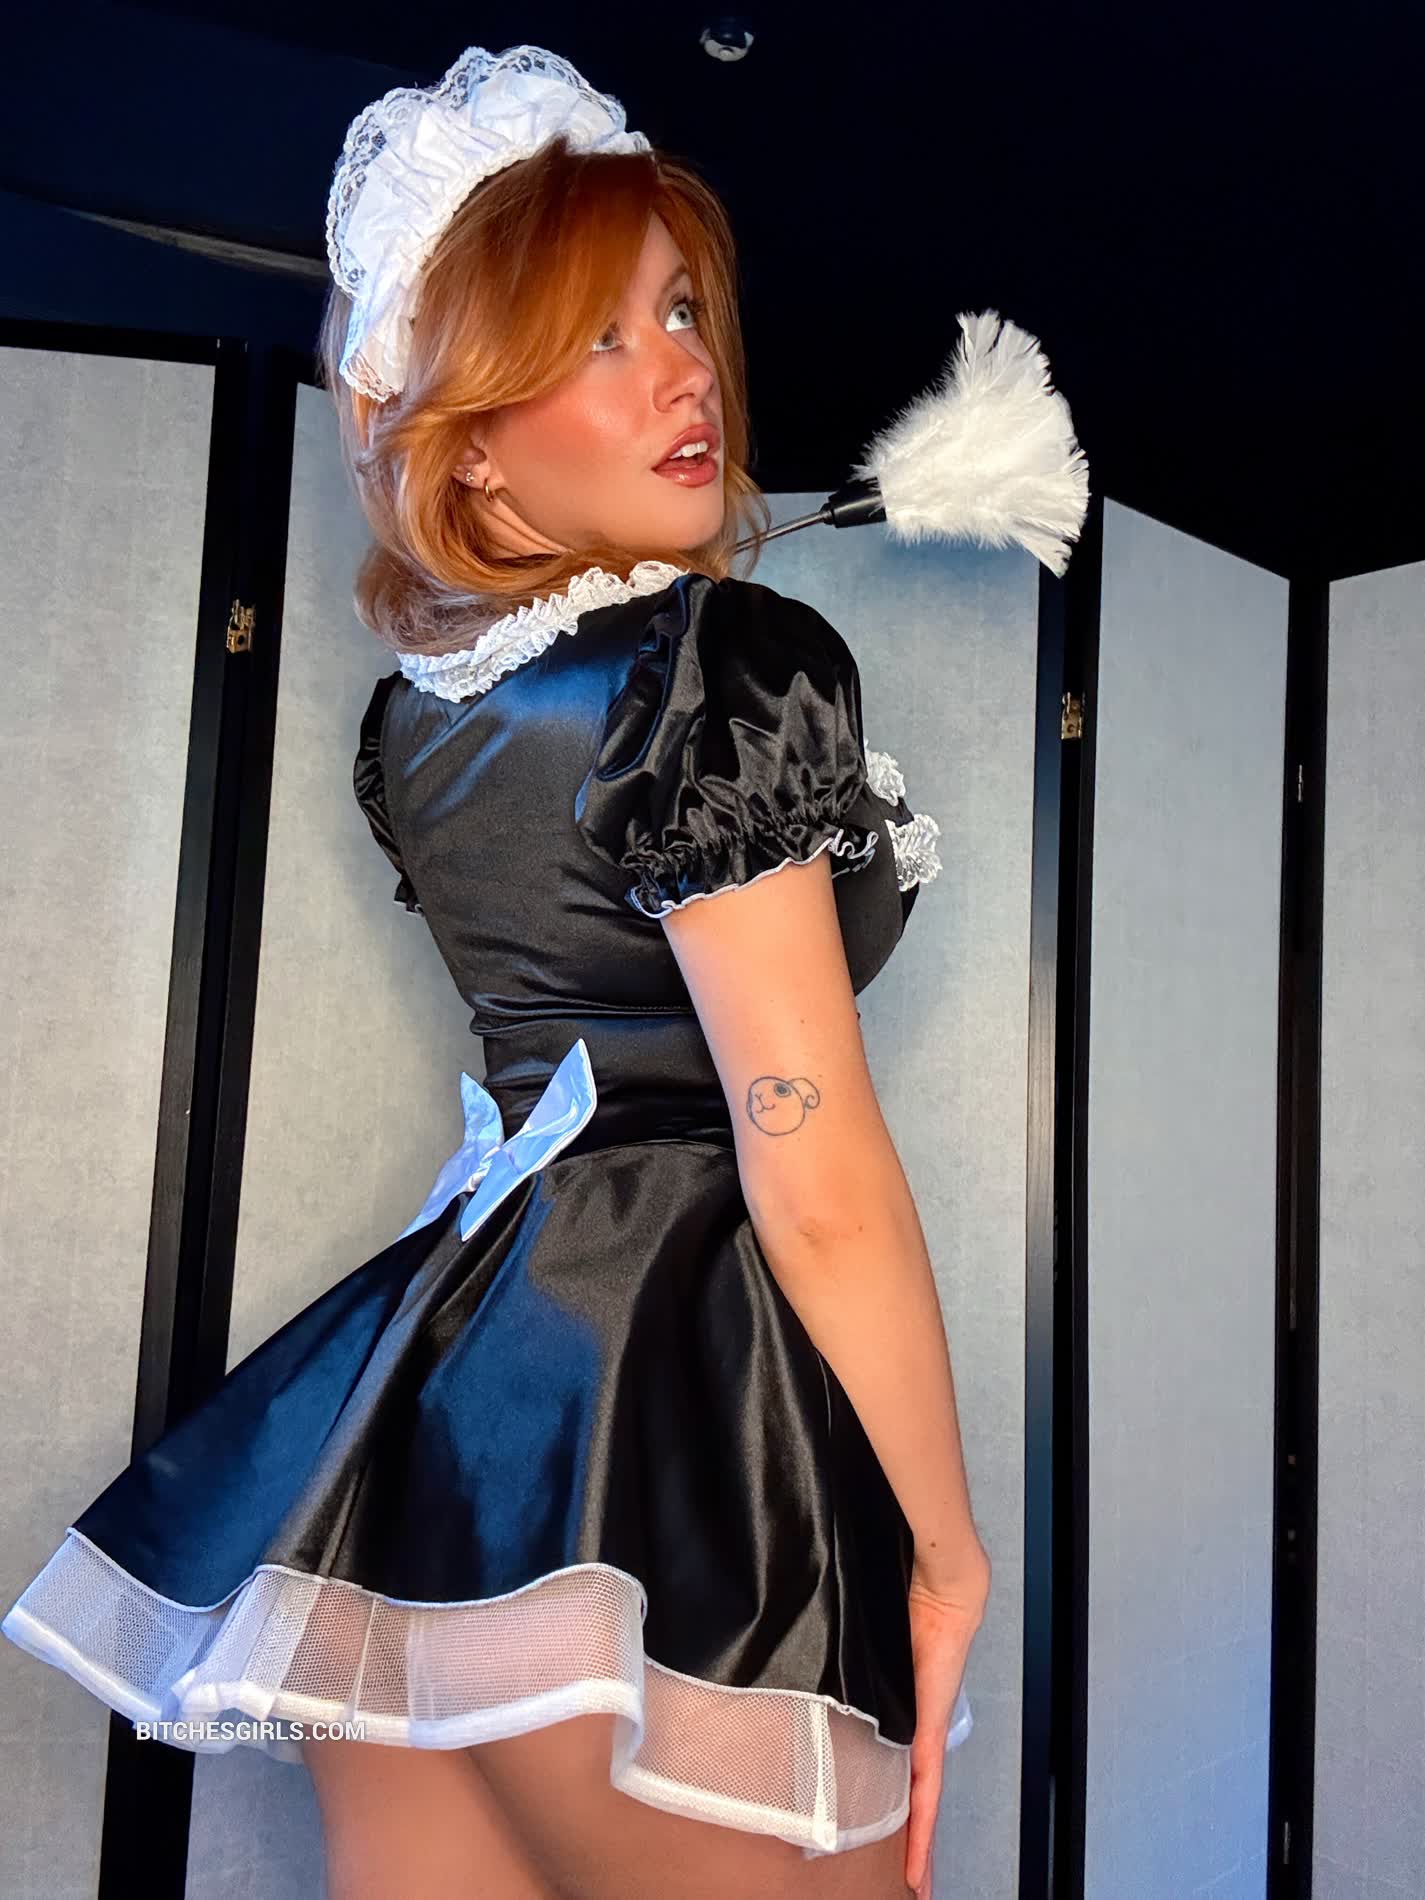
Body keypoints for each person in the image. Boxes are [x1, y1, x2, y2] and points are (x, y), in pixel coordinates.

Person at [1, 44, 990, 1900]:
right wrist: (945, 1558)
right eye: (594, 337)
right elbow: (814, 1173)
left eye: (678, 309)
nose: (683, 368)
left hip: (418, 1459)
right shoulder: (719, 668)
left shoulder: (419, 730)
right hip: (669, 1446)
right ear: (463, 437)